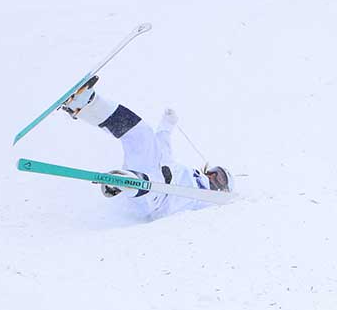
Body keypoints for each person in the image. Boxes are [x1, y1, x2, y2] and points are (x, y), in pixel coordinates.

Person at [62, 76, 233, 221]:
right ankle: (84, 103)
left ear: (222, 188)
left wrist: (227, 198)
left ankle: (130, 184)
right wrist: (167, 125)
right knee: (142, 133)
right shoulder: (189, 173)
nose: (212, 175)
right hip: (153, 171)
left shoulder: (208, 201)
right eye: (215, 171)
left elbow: (225, 209)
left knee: (153, 185)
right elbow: (162, 148)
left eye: (220, 178)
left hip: (159, 200)